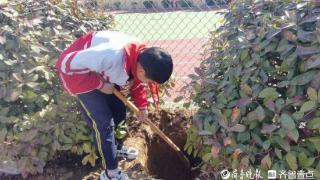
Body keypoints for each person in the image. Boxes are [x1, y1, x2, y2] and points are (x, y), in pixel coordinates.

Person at [55, 30, 173, 180]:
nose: (148, 84)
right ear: (142, 70)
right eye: (150, 81)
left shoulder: (140, 57)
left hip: (105, 72)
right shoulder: (110, 56)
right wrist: (98, 84)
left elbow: (136, 81)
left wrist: (142, 106)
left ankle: (115, 149)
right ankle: (110, 172)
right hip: (81, 77)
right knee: (104, 124)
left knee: (118, 111)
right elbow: (64, 64)